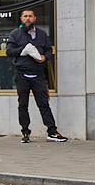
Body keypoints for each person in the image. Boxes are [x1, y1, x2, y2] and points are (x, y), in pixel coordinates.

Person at [5, 8, 67, 143]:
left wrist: (45, 57)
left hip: (38, 73)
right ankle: (25, 133)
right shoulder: (15, 34)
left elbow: (49, 50)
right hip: (21, 73)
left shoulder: (42, 34)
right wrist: (24, 51)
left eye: (30, 16)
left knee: (44, 103)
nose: (28, 18)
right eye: (25, 16)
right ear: (21, 19)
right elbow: (9, 51)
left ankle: (52, 132)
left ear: (34, 18)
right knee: (23, 104)